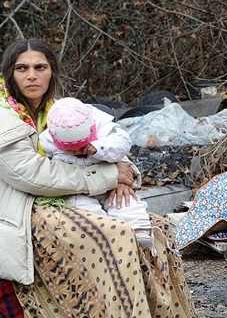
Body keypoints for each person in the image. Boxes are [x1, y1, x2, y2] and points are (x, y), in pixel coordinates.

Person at [0, 38, 223, 318]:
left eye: (40, 67)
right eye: (22, 68)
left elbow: (104, 139)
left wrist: (124, 173)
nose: (32, 75)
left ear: (52, 71)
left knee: (155, 227)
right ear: (9, 73)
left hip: (66, 198)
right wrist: (108, 176)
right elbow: (33, 176)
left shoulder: (59, 108)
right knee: (115, 236)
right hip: (18, 212)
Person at [40, 97, 154, 249]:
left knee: (125, 201)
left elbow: (122, 144)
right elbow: (45, 171)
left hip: (110, 186)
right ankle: (103, 232)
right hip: (77, 190)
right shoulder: (45, 143)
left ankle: (138, 230)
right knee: (83, 211)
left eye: (82, 148)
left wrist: (99, 148)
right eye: (71, 151)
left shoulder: (104, 130)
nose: (77, 153)